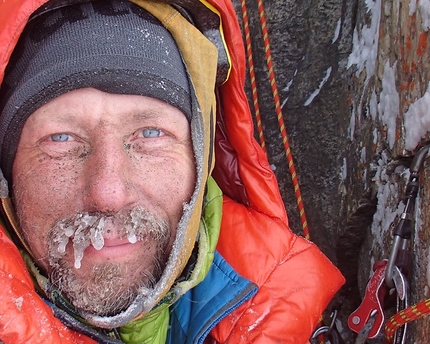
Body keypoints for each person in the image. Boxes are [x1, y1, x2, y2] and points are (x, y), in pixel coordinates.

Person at [0, 0, 345, 343]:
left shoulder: (286, 312)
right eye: (60, 139)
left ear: (199, 158)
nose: (107, 193)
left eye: (150, 134)